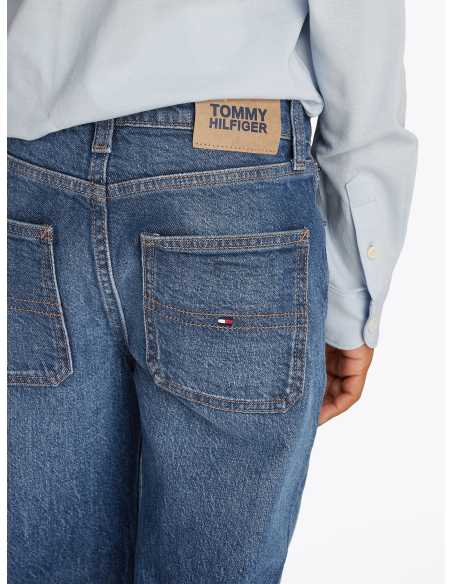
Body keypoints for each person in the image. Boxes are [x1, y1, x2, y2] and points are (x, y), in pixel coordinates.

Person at [7, 1, 417, 583]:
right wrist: (354, 300)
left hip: (28, 173)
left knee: (44, 558)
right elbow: (362, 49)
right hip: (229, 172)